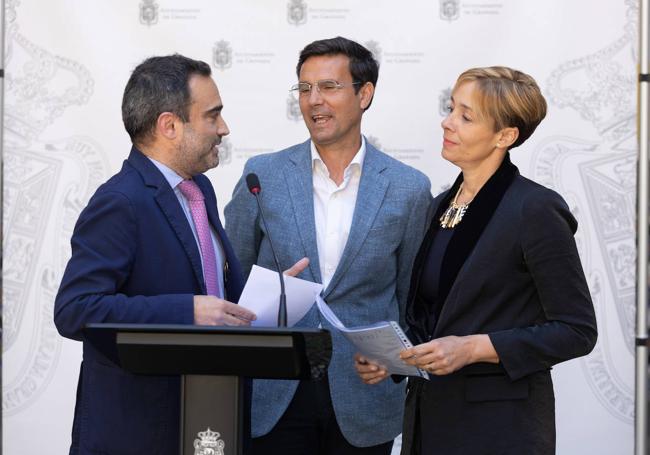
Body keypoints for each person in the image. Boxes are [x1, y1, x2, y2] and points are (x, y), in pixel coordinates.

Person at [54, 54, 307, 455]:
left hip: (209, 422)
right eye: (213, 116)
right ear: (169, 125)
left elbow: (210, 292)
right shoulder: (120, 202)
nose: (224, 129)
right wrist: (186, 312)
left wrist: (268, 297)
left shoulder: (198, 190)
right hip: (140, 434)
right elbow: (76, 309)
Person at [355, 66, 597, 454]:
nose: (447, 123)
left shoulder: (535, 209)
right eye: (451, 109)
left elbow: (577, 330)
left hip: (500, 430)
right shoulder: (439, 206)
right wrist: (395, 359)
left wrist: (473, 348)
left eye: (465, 116)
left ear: (505, 136)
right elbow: (435, 320)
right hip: (429, 423)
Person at [225, 37, 432, 454]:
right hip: (274, 394)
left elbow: (413, 300)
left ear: (365, 94)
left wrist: (393, 362)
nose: (313, 101)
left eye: (329, 87)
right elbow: (231, 278)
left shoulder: (409, 188)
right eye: (304, 89)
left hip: (364, 398)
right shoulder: (262, 176)